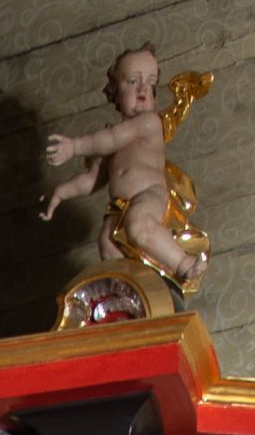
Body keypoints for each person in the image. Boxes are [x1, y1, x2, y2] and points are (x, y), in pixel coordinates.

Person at [38, 43, 209, 294]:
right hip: (119, 205)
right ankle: (129, 289)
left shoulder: (148, 123)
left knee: (139, 226)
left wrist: (74, 147)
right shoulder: (113, 137)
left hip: (149, 194)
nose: (143, 89)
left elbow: (111, 139)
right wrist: (61, 193)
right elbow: (92, 179)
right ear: (115, 92)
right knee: (107, 244)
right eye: (133, 81)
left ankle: (185, 264)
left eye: (151, 84)